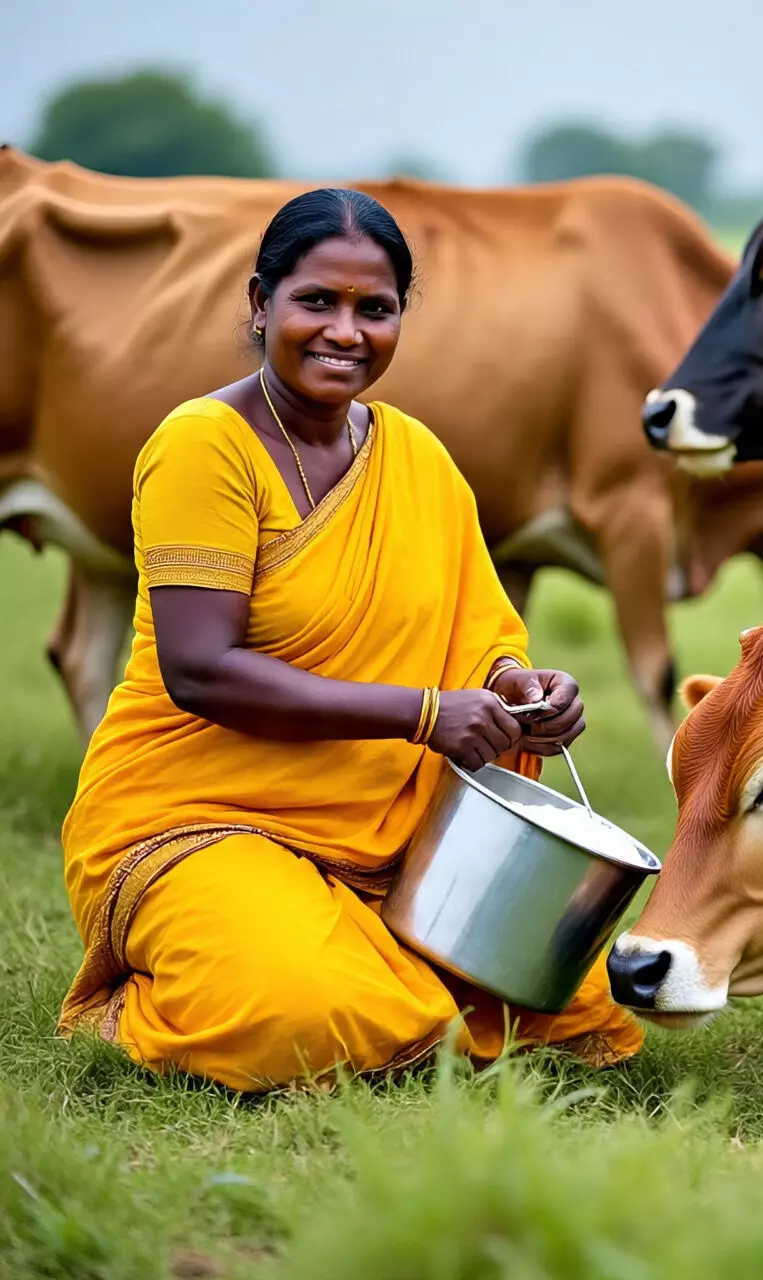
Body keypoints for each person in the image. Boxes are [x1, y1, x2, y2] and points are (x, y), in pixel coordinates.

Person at [57, 188, 644, 1091]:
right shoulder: (204, 446)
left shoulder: (415, 454)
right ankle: (135, 1005)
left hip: (389, 838)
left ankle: (382, 971)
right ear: (260, 304)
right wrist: (422, 716)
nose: (346, 331)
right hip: (200, 821)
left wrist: (525, 691)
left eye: (376, 309)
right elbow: (201, 671)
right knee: (302, 1008)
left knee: (571, 990)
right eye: (316, 302)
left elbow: (480, 634)